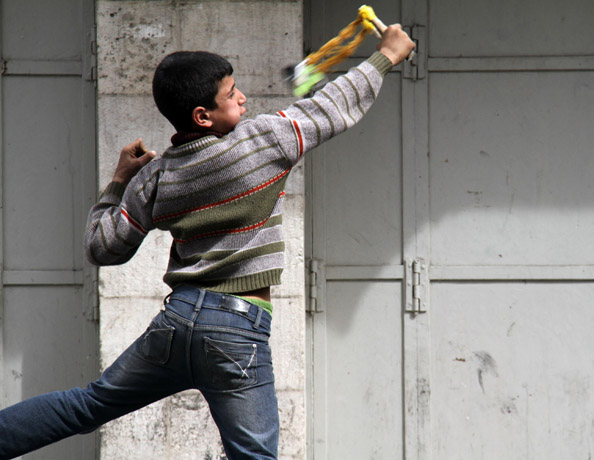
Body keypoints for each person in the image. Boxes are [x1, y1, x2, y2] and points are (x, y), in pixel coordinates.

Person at [0, 24, 414, 460]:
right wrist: (384, 56)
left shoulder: (154, 178)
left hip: (176, 325)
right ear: (203, 115)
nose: (243, 99)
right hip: (236, 329)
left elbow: (103, 248)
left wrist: (119, 180)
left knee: (90, 404)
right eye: (232, 94)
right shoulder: (264, 140)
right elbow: (332, 105)